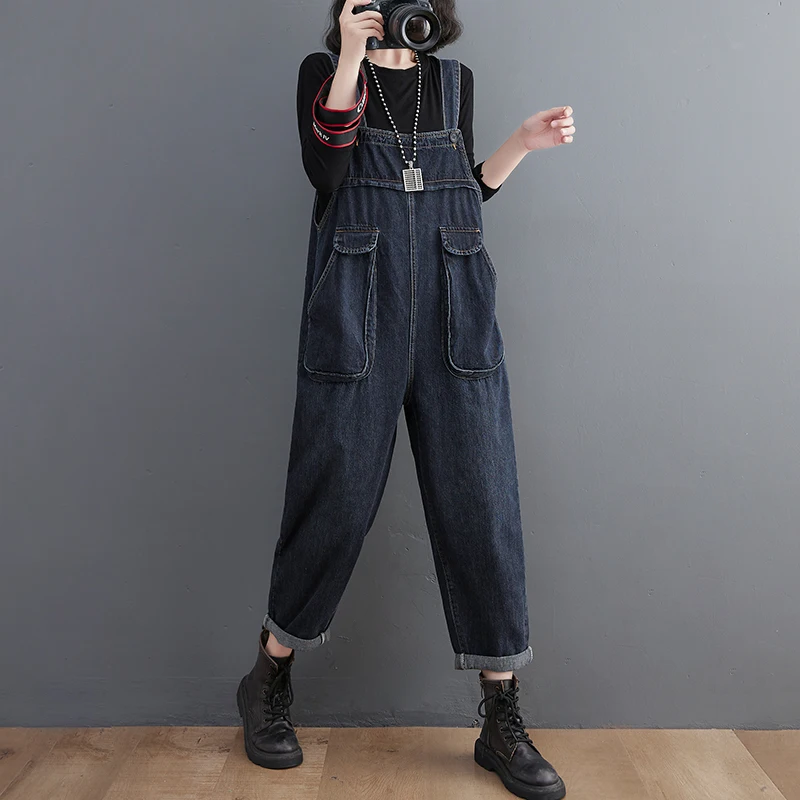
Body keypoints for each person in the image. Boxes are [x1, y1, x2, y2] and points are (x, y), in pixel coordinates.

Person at [237, 2, 575, 798]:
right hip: (357, 314)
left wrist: (519, 147)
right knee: (335, 496)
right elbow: (327, 175)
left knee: (483, 502)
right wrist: (352, 59)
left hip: (458, 315)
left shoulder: (454, 84)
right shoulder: (325, 75)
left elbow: (463, 193)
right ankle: (267, 677)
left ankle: (501, 717)